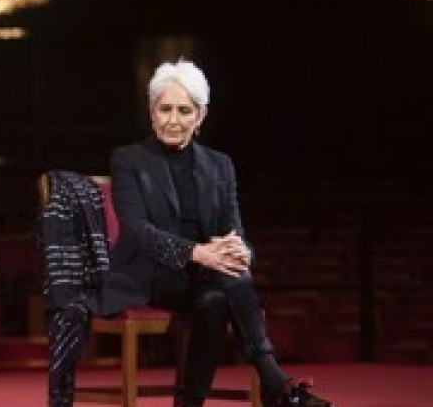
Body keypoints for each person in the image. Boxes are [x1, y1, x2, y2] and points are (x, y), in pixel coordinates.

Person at [101, 58, 332, 407]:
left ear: (201, 116)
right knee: (229, 281)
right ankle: (276, 384)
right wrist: (198, 253)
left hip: (205, 277)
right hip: (149, 274)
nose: (173, 120)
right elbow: (136, 231)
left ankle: (195, 401)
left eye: (184, 111)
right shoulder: (128, 160)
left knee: (217, 296)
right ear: (152, 112)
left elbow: (234, 230)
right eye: (165, 109)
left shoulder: (219, 165)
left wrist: (241, 252)